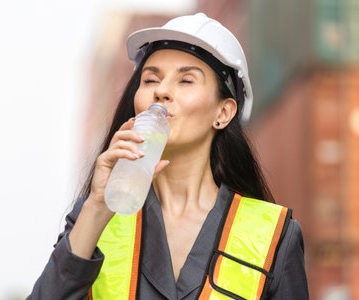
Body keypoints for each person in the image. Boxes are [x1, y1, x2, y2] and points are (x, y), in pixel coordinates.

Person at [27, 13, 309, 299]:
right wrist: (97, 208)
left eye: (185, 80)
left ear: (223, 113)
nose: (161, 91)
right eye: (150, 80)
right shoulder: (95, 217)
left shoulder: (273, 235)